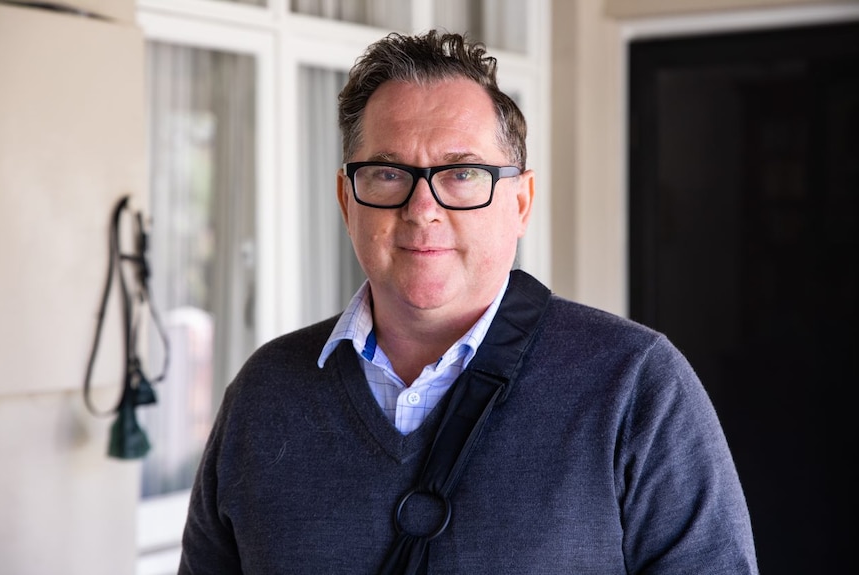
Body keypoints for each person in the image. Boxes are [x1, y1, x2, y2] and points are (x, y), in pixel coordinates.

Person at [178, 30, 758, 574]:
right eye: (387, 173)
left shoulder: (635, 386)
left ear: (521, 202)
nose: (421, 208)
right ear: (345, 199)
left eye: (461, 174)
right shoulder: (265, 394)